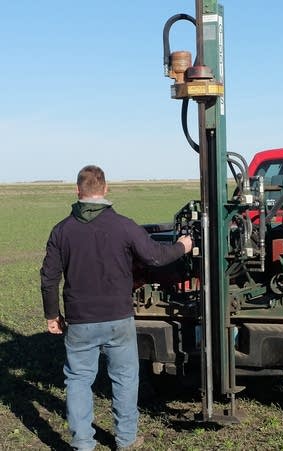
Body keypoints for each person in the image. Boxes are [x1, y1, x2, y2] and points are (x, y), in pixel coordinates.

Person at [40, 165, 193, 451]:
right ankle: (126, 439)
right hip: (118, 318)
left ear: (78, 191)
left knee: (78, 380)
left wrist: (52, 315)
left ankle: (83, 443)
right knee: (124, 378)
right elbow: (156, 257)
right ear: (105, 189)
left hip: (80, 320)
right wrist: (183, 246)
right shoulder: (123, 225)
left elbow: (49, 278)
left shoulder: (62, 230)